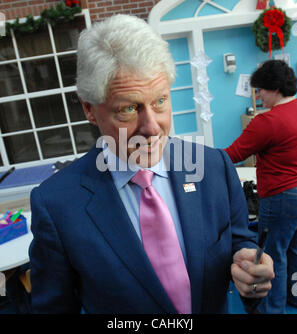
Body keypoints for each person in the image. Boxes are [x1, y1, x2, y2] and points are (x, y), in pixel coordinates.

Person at [29, 14, 274, 314]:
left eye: (160, 101)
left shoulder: (213, 168)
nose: (151, 127)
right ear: (89, 109)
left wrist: (248, 264)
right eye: (128, 109)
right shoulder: (57, 205)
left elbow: (239, 241)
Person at [225, 59, 297, 313]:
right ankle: (295, 299)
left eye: (261, 91)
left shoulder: (267, 122)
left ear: (275, 89)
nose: (258, 97)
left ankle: (272, 310)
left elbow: (231, 155)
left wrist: (193, 156)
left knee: (272, 256)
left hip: (281, 196)